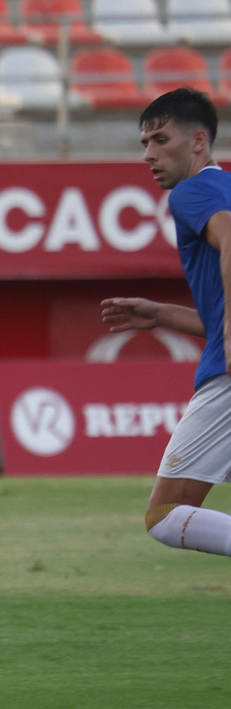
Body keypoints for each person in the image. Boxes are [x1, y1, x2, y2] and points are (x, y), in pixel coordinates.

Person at [102, 88, 231, 557]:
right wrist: (160, 314)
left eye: (160, 140)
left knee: (166, 515)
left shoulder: (192, 191)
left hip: (226, 377)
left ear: (198, 141)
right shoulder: (225, 188)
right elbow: (218, 317)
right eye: (145, 144)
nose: (149, 155)